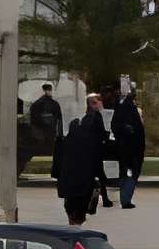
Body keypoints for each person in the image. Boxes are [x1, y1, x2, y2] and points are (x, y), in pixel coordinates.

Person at [54, 93, 109, 226]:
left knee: (72, 206)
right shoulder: (90, 138)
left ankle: (74, 223)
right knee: (79, 207)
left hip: (70, 182)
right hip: (82, 181)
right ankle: (76, 223)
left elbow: (58, 162)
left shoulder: (68, 141)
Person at [110, 82, 148, 210]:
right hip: (128, 146)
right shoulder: (123, 106)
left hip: (134, 146)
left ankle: (126, 198)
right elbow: (116, 124)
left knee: (132, 172)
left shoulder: (130, 105)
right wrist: (125, 130)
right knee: (129, 172)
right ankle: (125, 199)